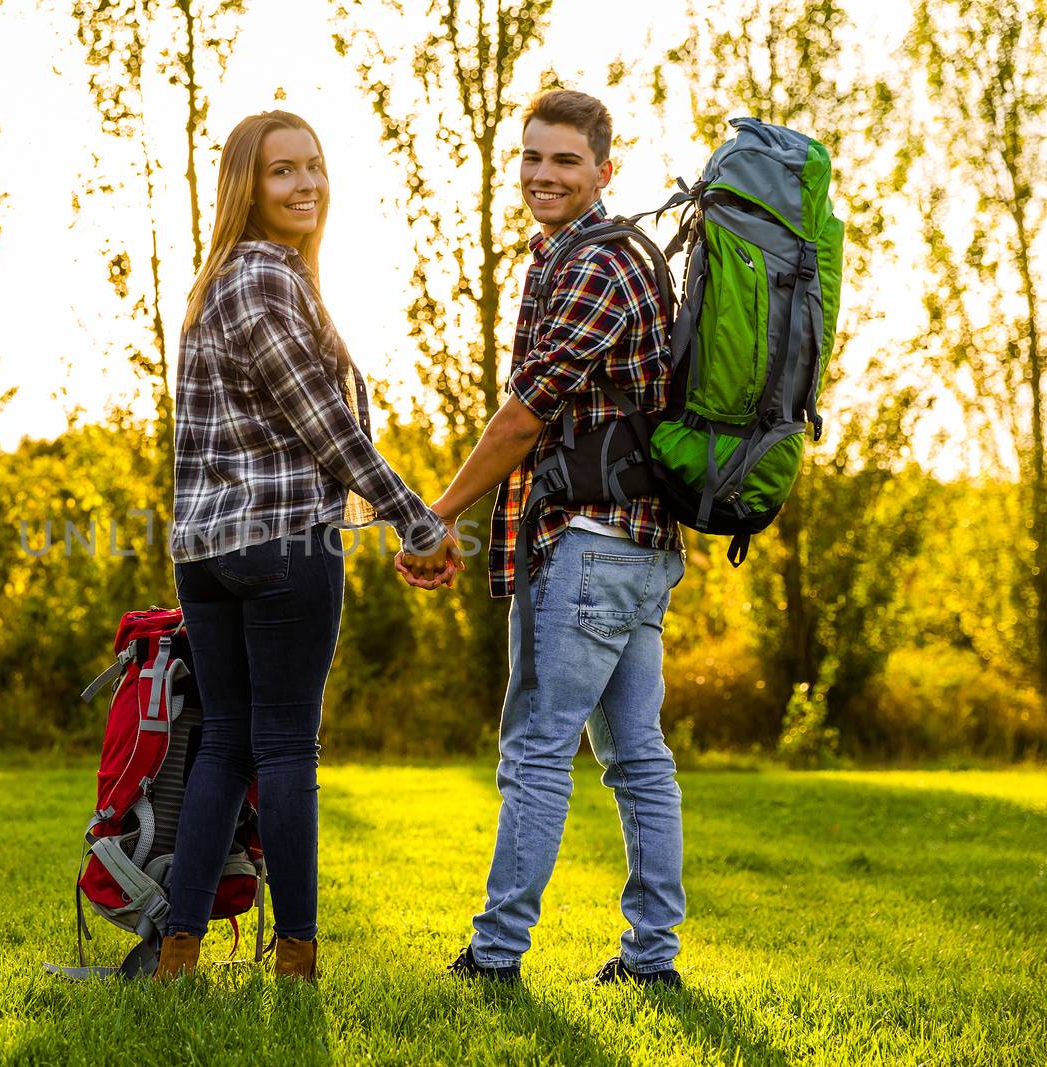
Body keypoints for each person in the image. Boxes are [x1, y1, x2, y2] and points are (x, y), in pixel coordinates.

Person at [159, 110, 459, 981]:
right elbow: (326, 426)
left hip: (204, 549)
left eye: (315, 168)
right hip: (283, 544)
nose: (306, 186)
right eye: (283, 171)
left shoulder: (216, 283)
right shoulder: (264, 279)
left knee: (225, 740)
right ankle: (296, 958)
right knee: (287, 747)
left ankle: (180, 949)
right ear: (245, 187)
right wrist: (419, 520)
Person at [398, 89, 687, 988]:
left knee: (536, 747)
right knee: (637, 754)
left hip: (593, 547)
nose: (542, 175)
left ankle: (494, 956)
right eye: (531, 157)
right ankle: (650, 960)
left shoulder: (596, 265)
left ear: (607, 167)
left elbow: (525, 417)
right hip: (637, 549)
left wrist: (437, 513)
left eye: (564, 160)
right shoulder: (595, 256)